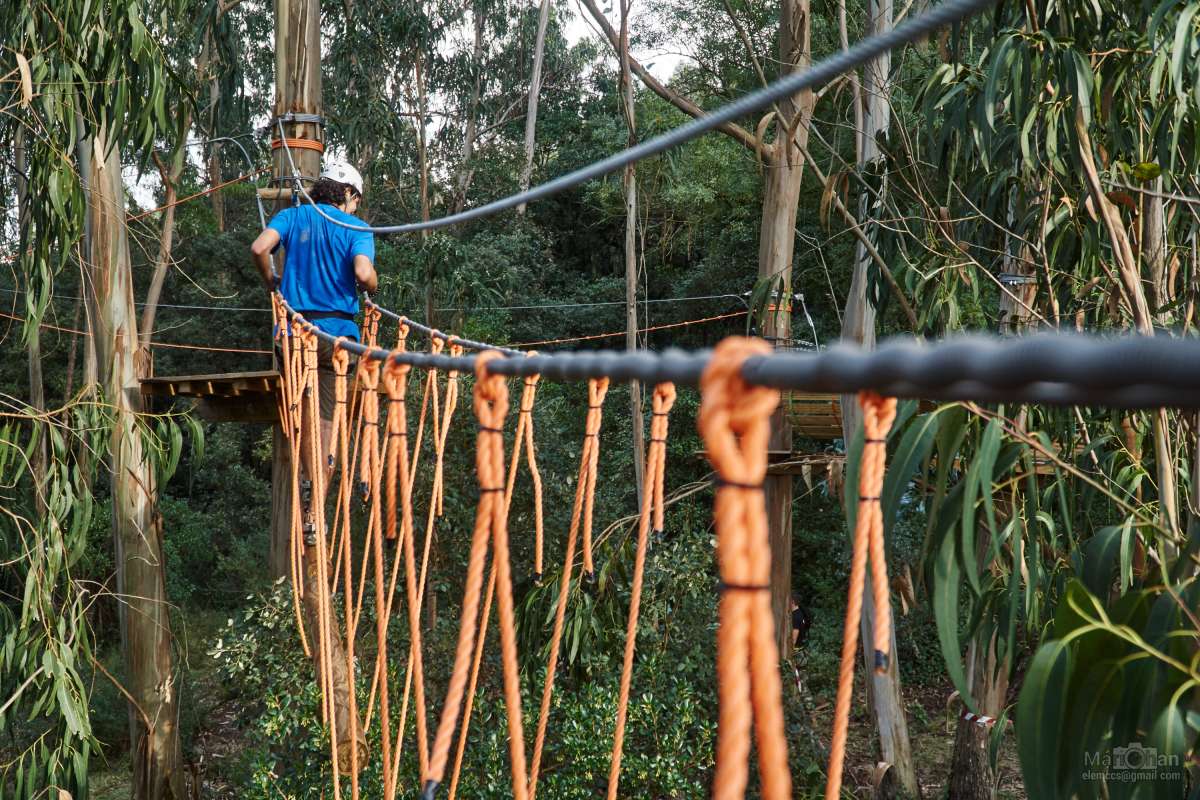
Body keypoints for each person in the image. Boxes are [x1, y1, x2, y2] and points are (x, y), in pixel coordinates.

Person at [251, 162, 378, 529]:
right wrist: (373, 286)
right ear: (349, 193)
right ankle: (314, 511)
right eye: (357, 200)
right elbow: (362, 273)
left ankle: (306, 477)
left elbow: (260, 247)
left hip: (295, 335)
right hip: (338, 340)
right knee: (326, 420)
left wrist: (272, 280)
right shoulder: (355, 227)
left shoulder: (293, 217)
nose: (356, 207)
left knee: (301, 411)